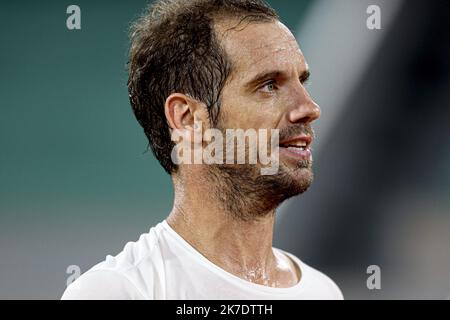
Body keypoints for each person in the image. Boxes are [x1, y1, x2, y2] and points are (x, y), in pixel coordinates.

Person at [62, 0, 343, 300]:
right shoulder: (117, 292)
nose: (309, 108)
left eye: (302, 81)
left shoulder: (323, 292)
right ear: (188, 119)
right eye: (269, 85)